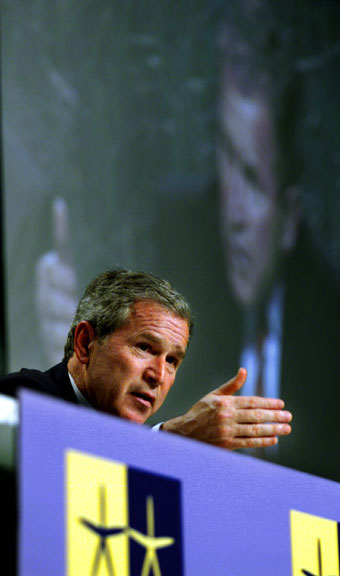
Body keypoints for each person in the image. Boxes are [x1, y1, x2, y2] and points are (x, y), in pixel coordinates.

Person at [1, 268, 292, 450]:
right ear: (85, 343)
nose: (159, 375)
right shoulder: (22, 397)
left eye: (172, 361)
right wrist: (169, 439)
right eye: (144, 348)